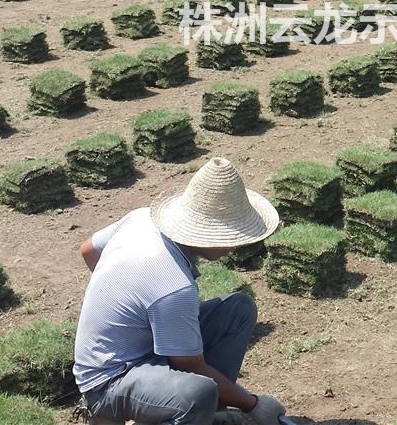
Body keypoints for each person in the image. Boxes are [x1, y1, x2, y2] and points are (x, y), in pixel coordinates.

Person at [74, 157, 286, 425]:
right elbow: (190, 366)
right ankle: (177, 413)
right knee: (198, 392)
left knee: (238, 309)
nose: (235, 245)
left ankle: (209, 415)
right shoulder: (173, 285)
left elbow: (88, 249)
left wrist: (127, 301)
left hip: (141, 354)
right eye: (231, 235)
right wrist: (253, 404)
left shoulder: (140, 219)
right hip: (108, 382)